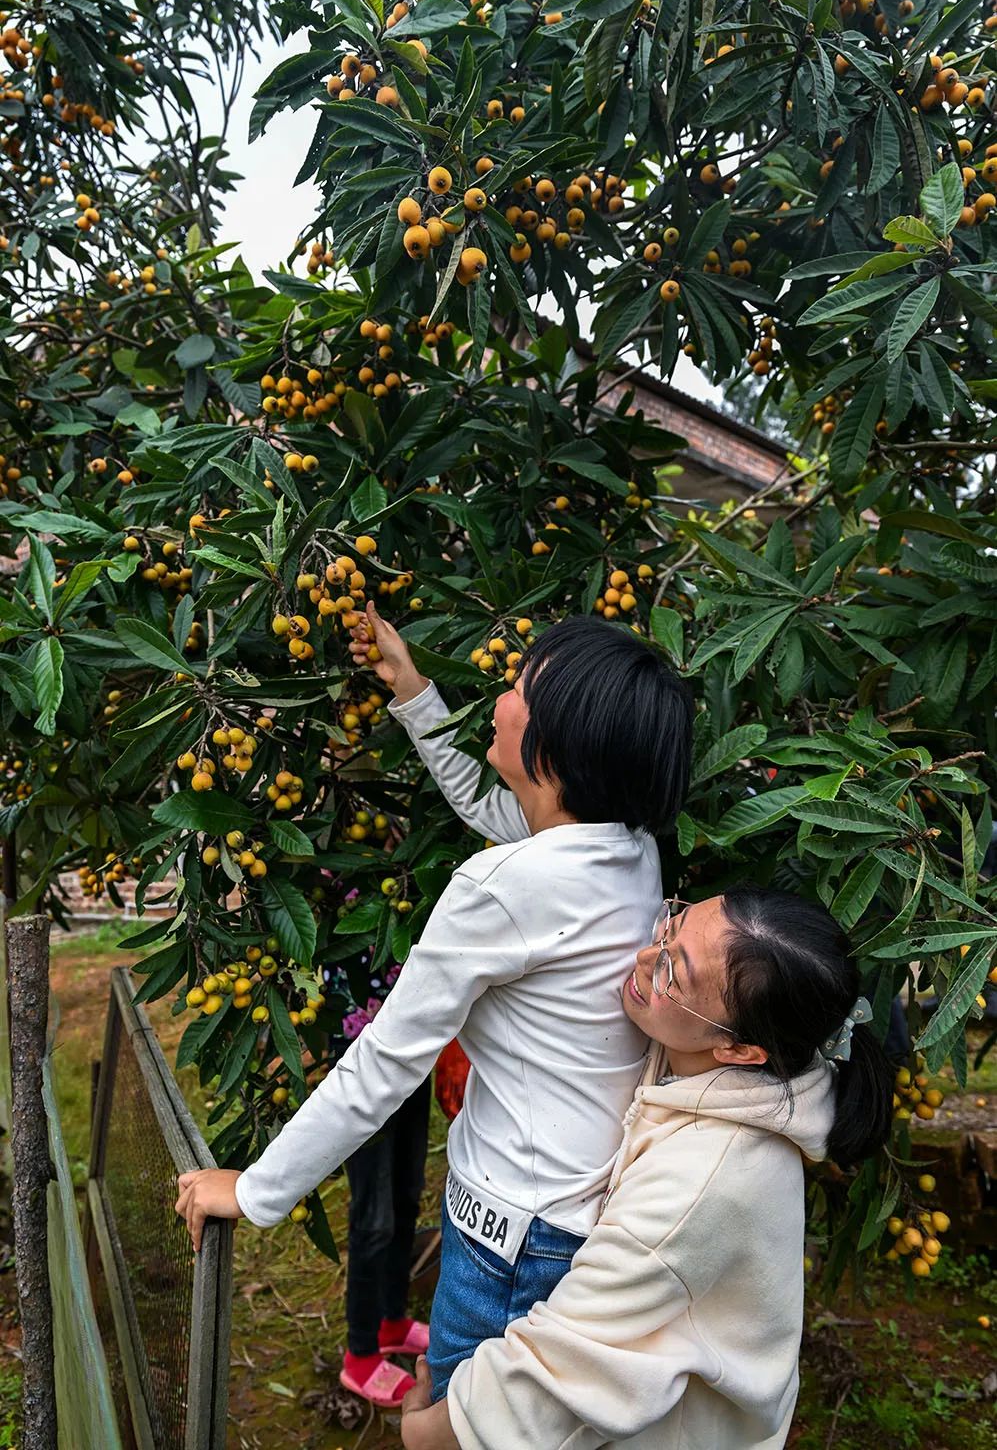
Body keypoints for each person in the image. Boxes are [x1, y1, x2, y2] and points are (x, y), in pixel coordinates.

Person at [176, 606, 694, 1400]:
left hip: (508, 1239)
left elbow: (384, 1062)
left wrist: (254, 1190)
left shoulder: (500, 887)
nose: (499, 694)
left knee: (469, 1421)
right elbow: (499, 815)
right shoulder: (628, 854)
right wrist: (411, 690)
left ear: (556, 746)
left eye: (521, 685)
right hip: (578, 1219)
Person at [399, 886, 894, 1450]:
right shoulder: (705, 1064)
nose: (642, 959)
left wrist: (428, 1433)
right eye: (669, 926)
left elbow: (564, 1368)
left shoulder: (705, 1180)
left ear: (739, 1050)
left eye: (672, 975)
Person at [325, 951, 432, 1406]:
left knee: (407, 1193)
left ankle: (393, 1320)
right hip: (357, 1046)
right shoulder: (334, 884)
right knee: (374, 1213)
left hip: (412, 1039)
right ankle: (361, 1353)